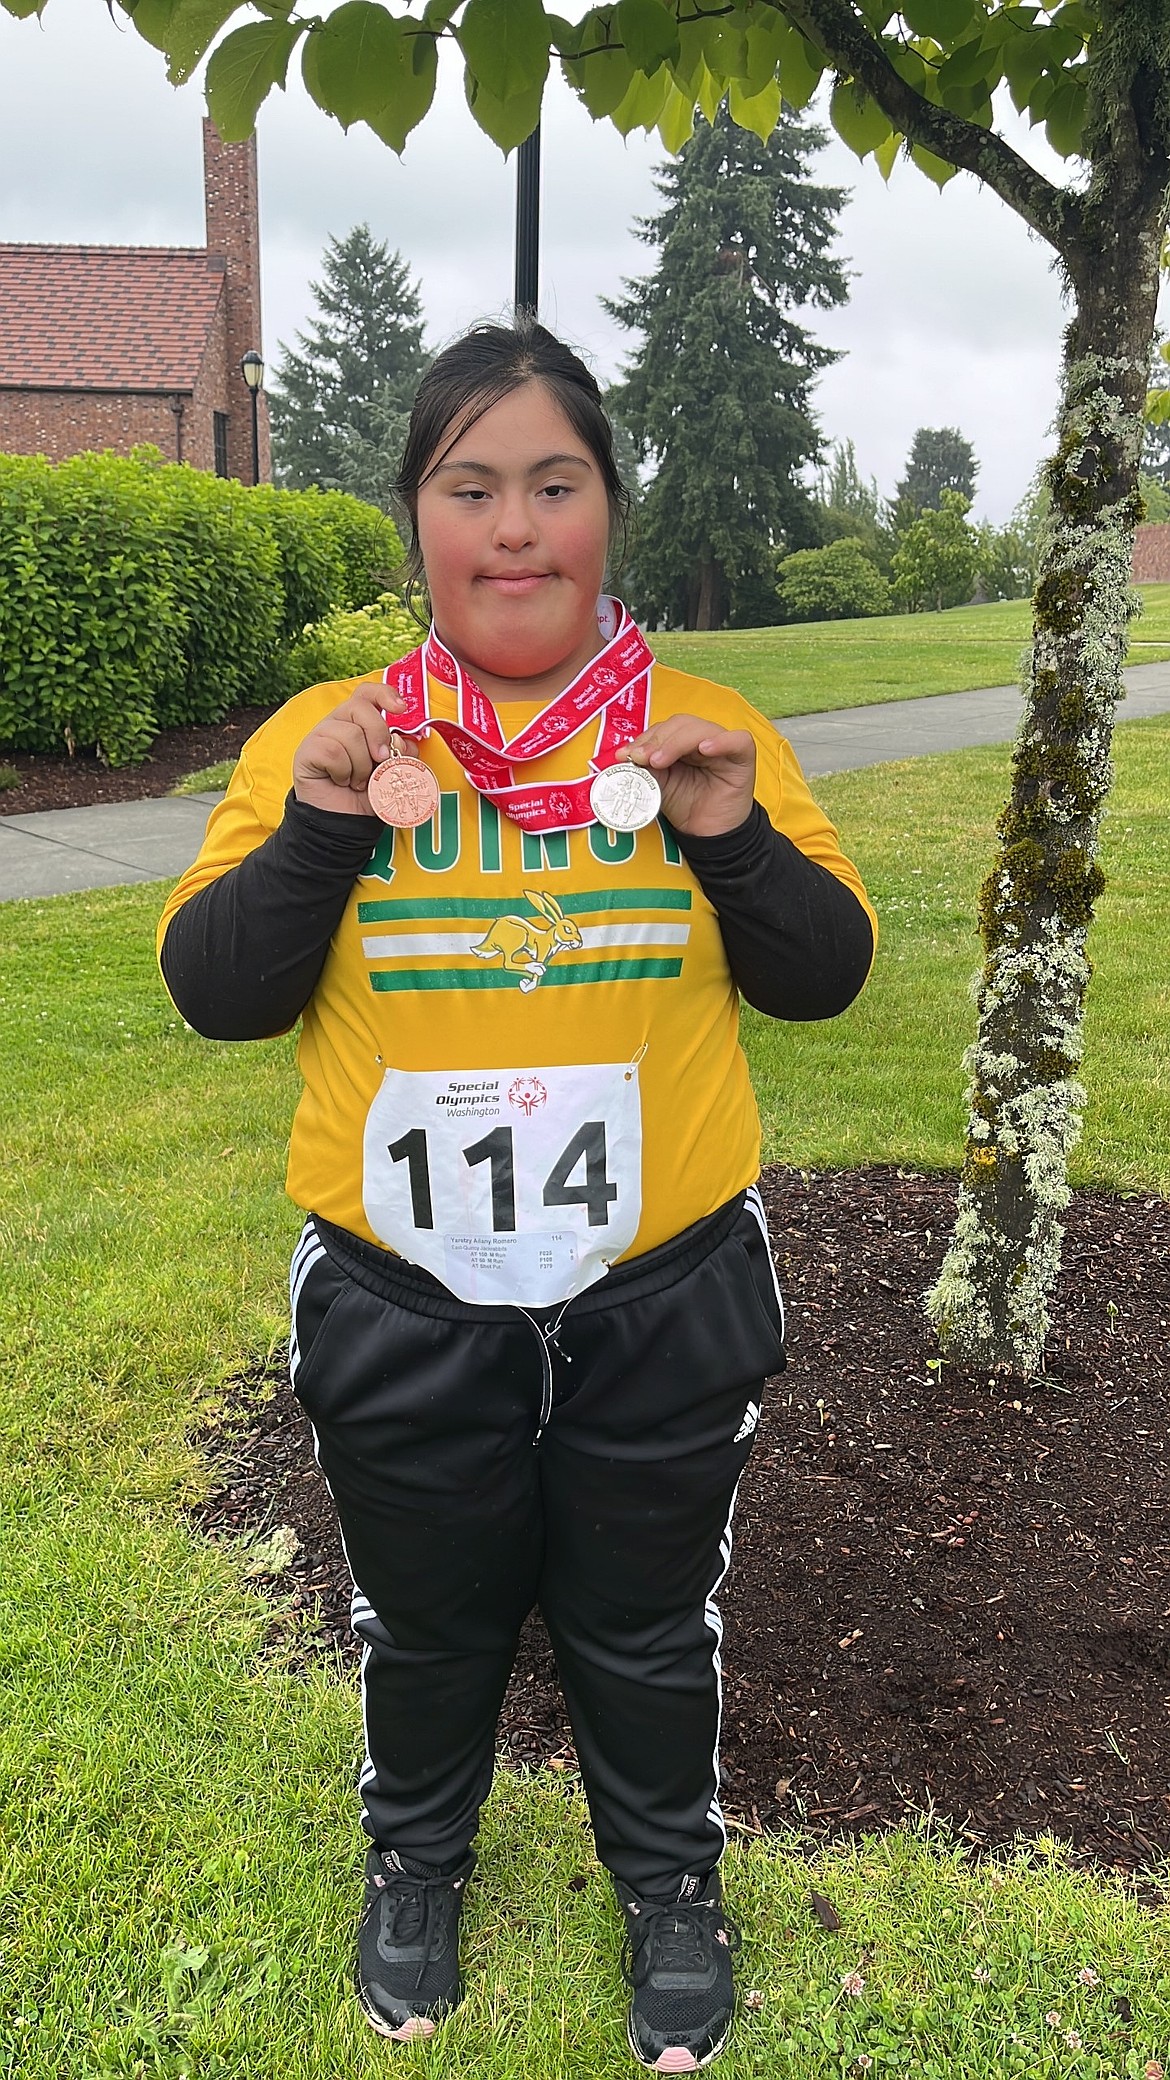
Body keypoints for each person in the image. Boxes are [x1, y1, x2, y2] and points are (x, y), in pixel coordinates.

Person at [158, 319, 876, 2073]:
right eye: (469, 487)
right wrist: (328, 824)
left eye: (553, 485)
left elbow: (822, 972)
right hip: (405, 1291)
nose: (513, 528)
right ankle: (417, 1863)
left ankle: (668, 1886)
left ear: (608, 513)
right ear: (415, 519)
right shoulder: (325, 743)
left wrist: (729, 836)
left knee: (644, 1620)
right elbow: (217, 989)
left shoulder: (708, 736)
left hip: (661, 1280)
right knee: (429, 1613)